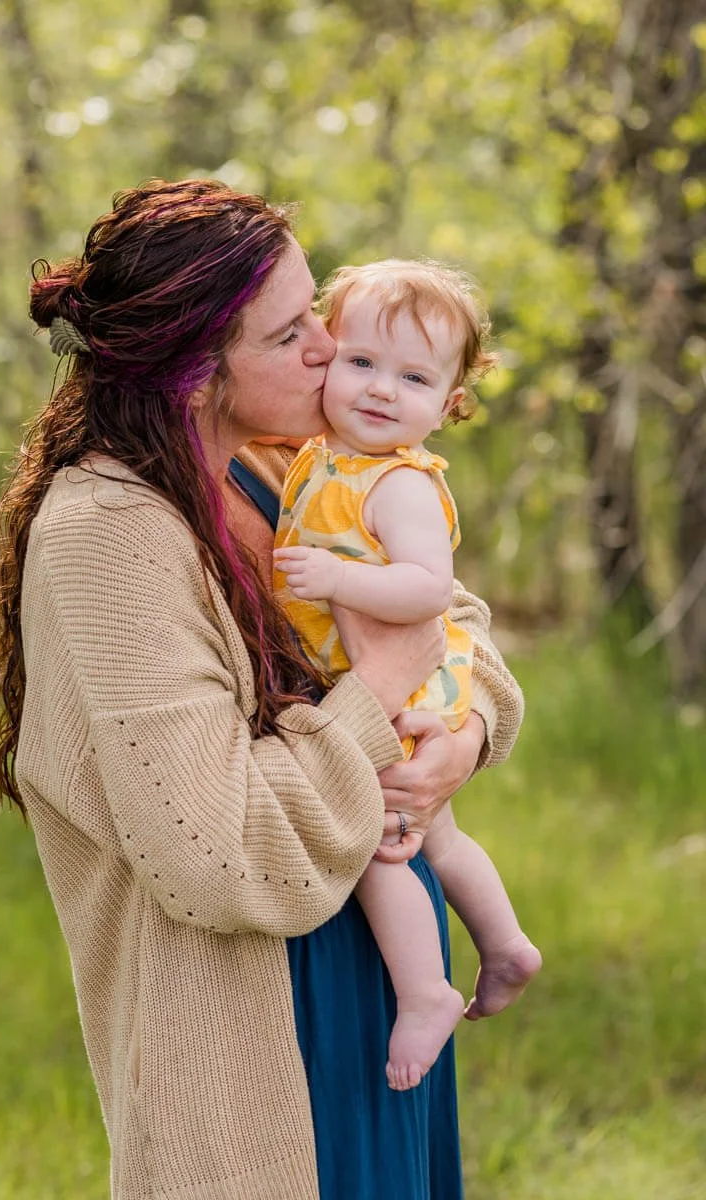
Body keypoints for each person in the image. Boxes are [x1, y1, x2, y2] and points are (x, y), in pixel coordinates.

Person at [0, 179, 525, 1200]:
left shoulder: (279, 467)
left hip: (380, 975)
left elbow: (453, 621)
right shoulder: (110, 537)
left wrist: (460, 740)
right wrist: (379, 691)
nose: (329, 345)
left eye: (316, 309)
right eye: (288, 334)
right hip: (259, 1031)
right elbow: (217, 857)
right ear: (196, 371)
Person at [273, 260, 542, 1093]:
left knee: (380, 847)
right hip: (375, 676)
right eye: (362, 362)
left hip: (404, 685)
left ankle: (426, 991)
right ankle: (506, 944)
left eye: (414, 378)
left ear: (450, 402)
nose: (382, 390)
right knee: (442, 835)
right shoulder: (323, 455)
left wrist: (336, 578)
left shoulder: (397, 484)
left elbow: (428, 589)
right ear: (328, 356)